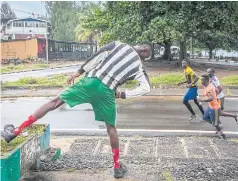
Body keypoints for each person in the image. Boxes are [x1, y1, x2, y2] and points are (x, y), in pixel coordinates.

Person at [1, 41, 152, 178]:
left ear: (140, 46)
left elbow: (97, 57)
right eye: (146, 57)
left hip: (90, 81)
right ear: (144, 51)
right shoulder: (139, 67)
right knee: (111, 128)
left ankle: (15, 132)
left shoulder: (118, 45)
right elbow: (146, 88)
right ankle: (117, 166)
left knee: (54, 102)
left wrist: (78, 73)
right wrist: (122, 94)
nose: (144, 59)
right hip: (107, 91)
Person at [198, 74, 226, 139]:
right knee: (205, 118)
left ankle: (222, 134)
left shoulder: (209, 88)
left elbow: (211, 98)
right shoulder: (208, 86)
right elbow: (216, 91)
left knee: (215, 123)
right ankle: (218, 125)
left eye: (202, 80)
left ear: (206, 80)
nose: (201, 81)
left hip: (215, 108)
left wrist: (202, 100)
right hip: (210, 106)